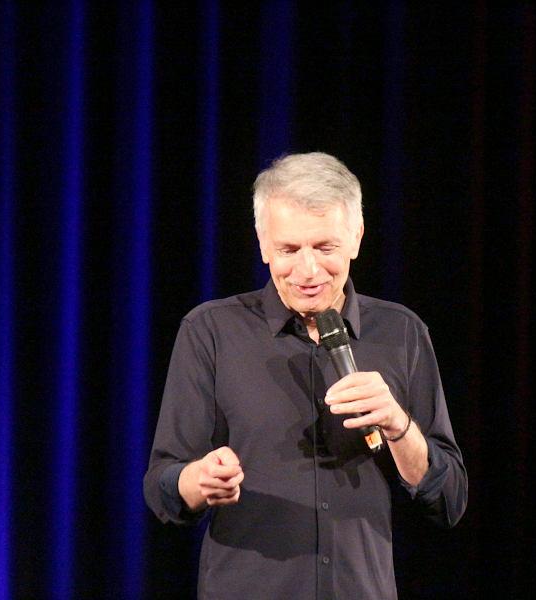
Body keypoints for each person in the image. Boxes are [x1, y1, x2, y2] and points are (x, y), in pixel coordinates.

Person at [143, 152, 467, 599]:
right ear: (262, 244)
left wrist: (398, 425)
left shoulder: (402, 332)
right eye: (289, 250)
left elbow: (448, 498)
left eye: (325, 248)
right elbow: (163, 488)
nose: (308, 271)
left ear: (356, 237)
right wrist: (199, 479)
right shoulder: (211, 331)